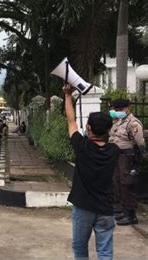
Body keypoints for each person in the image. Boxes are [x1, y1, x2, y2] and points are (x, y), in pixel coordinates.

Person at [63, 85, 119, 260]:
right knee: (105, 251)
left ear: (88, 128)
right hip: (106, 208)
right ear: (108, 130)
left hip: (83, 208)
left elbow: (71, 121)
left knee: (80, 248)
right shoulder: (113, 150)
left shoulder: (82, 146)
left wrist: (67, 95)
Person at [108, 99, 146, 225]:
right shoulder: (118, 121)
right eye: (116, 110)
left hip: (127, 156)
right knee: (118, 182)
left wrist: (143, 155)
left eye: (119, 110)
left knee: (127, 184)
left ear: (127, 108)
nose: (117, 112)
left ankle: (131, 214)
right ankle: (122, 210)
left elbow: (140, 142)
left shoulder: (133, 123)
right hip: (117, 155)